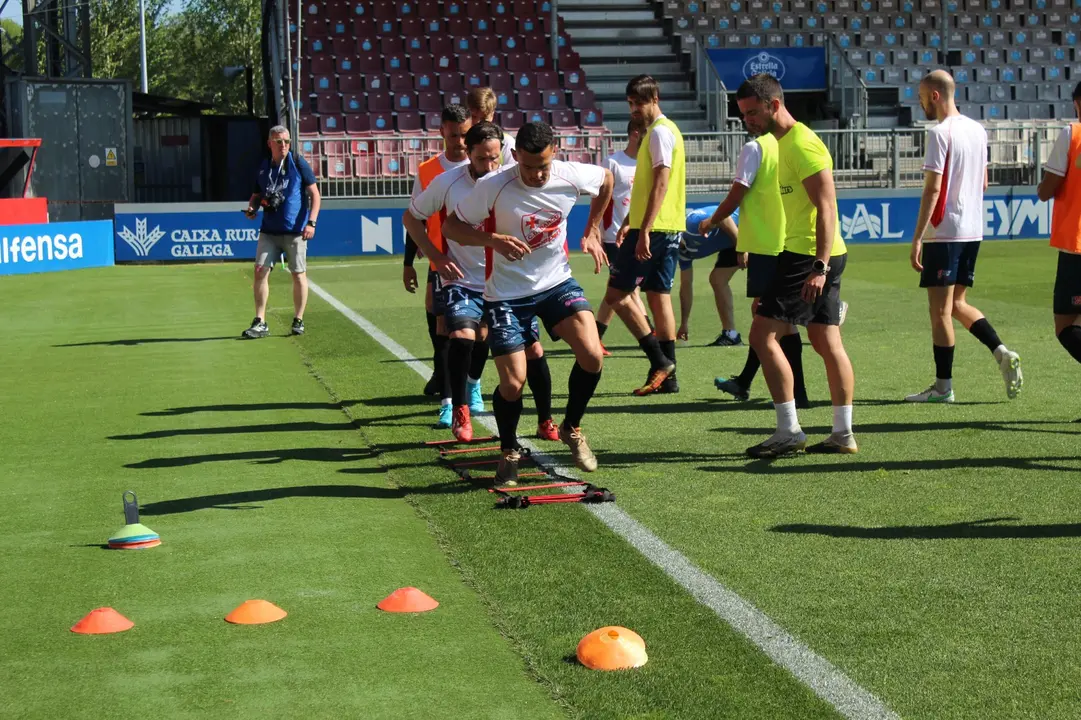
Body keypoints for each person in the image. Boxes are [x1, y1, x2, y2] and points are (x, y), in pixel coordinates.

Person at [443, 121, 614, 482]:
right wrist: (494, 241)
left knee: (592, 354)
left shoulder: (570, 175)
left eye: (544, 166)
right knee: (513, 383)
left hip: (556, 283)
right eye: (529, 166)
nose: (537, 174)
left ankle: (572, 428)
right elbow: (452, 228)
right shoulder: (493, 185)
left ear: (555, 154)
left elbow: (606, 181)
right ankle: (509, 450)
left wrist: (593, 227)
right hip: (506, 294)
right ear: (515, 155)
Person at [403, 122, 561, 443]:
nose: (489, 166)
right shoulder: (448, 182)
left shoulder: (515, 180)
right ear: (468, 155)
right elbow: (411, 217)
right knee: (462, 336)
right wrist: (436, 257)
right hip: (463, 279)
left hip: (507, 283)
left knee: (532, 350)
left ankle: (545, 419)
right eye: (481, 159)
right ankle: (460, 409)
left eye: (495, 158)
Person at [736, 73, 856, 457]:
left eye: (753, 113)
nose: (748, 121)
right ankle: (842, 434)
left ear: (775, 105)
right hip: (811, 252)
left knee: (762, 335)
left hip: (810, 256)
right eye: (743, 115)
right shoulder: (781, 143)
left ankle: (789, 431)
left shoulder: (802, 143)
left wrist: (818, 267)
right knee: (824, 339)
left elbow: (827, 206)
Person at [906, 70, 1022, 403]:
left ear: (935, 96)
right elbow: (983, 183)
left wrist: (917, 238)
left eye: (921, 97)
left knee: (940, 312)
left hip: (944, 233)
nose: (920, 103)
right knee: (957, 304)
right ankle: (1001, 352)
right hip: (973, 230)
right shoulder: (977, 130)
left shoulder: (940, 133)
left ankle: (943, 388)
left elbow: (933, 189)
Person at [700, 129, 816, 407]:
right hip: (785, 240)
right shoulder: (788, 145)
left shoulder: (755, 148)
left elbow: (738, 193)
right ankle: (753, 383)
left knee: (768, 318)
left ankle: (791, 394)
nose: (746, 119)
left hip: (768, 245)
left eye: (750, 113)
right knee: (777, 319)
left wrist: (713, 220)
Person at [604, 75, 687, 395]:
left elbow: (661, 184)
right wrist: (628, 219)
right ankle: (670, 377)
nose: (634, 109)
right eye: (630, 103)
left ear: (655, 99)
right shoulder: (665, 132)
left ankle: (659, 360)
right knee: (658, 296)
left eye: (639, 102)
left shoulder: (659, 134)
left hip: (655, 228)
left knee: (616, 294)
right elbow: (647, 188)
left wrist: (645, 229)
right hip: (664, 225)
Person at [402, 104, 472, 425]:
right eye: (454, 134)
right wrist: (408, 262)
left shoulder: (484, 164)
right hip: (441, 261)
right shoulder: (429, 170)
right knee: (441, 329)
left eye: (465, 134)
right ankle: (449, 397)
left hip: (478, 261)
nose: (459, 141)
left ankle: (472, 383)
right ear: (442, 131)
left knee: (479, 333)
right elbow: (415, 215)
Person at [242, 125, 320, 339]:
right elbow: (256, 194)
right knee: (260, 271)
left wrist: (311, 223)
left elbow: (315, 194)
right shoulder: (264, 166)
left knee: (298, 274)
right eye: (278, 141)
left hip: (295, 231)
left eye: (286, 141)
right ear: (270, 144)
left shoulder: (297, 162)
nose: (283, 145)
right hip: (269, 230)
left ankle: (299, 319)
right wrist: (252, 208)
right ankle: (260, 320)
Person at [1036, 81, 1081, 404]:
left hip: (1077, 245)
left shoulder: (1072, 134)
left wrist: (1043, 186)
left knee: (1065, 326)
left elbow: (1047, 189)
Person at [595, 121, 649, 354]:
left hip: (639, 233)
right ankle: (650, 334)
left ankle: (595, 336)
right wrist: (596, 227)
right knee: (627, 288)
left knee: (617, 288)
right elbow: (601, 198)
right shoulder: (614, 163)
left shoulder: (650, 164)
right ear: (636, 134)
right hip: (615, 236)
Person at [676, 204, 742, 347]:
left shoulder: (691, 223)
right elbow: (686, 285)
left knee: (766, 289)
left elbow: (724, 217)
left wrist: (742, 249)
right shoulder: (681, 252)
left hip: (748, 231)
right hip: (732, 245)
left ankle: (780, 333)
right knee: (718, 279)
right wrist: (684, 324)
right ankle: (731, 335)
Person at [466, 87, 515, 167]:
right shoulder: (458, 142)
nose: (477, 123)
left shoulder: (507, 143)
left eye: (483, 118)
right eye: (474, 117)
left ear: (492, 115)